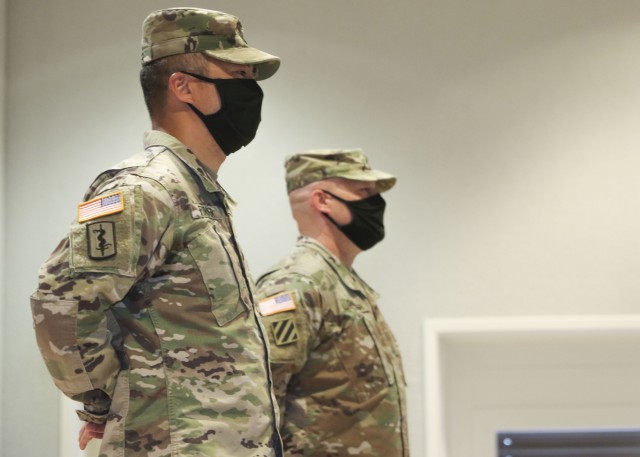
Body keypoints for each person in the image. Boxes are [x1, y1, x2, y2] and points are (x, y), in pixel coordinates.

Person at [29, 7, 283, 456]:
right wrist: (107, 402)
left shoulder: (197, 191)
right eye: (237, 75)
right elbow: (62, 305)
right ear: (182, 86)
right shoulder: (145, 188)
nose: (252, 92)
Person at [255, 149, 409, 456]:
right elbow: (259, 408)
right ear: (322, 200)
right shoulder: (296, 285)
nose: (375, 204)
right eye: (364, 192)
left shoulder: (343, 285)